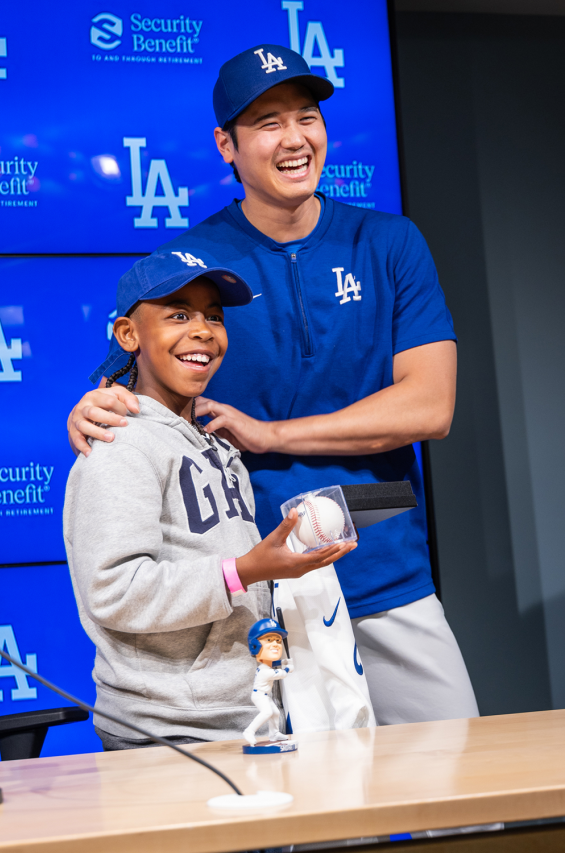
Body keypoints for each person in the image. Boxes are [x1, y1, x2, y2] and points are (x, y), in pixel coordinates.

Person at [66, 44, 477, 725]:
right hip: (262, 587)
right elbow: (121, 388)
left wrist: (274, 434)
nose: (294, 139)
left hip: (385, 562)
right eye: (266, 123)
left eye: (306, 117)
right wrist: (88, 405)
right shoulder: (190, 264)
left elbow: (430, 405)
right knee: (312, 808)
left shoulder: (390, 242)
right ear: (227, 145)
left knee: (462, 789)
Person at [63, 252, 354, 751]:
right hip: (164, 727)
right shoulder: (118, 445)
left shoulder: (218, 444)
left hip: (242, 712)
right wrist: (243, 570)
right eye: (179, 314)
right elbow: (114, 590)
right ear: (129, 335)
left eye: (213, 316)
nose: (202, 330)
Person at [242, 619, 291, 747]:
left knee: (275, 712)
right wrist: (288, 668)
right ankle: (249, 731)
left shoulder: (266, 667)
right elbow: (281, 674)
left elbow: (276, 664)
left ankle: (274, 734)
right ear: (255, 646)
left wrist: (284, 662)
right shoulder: (265, 671)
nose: (275, 644)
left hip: (265, 695)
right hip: (259, 696)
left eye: (278, 640)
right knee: (267, 712)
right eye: (269, 640)